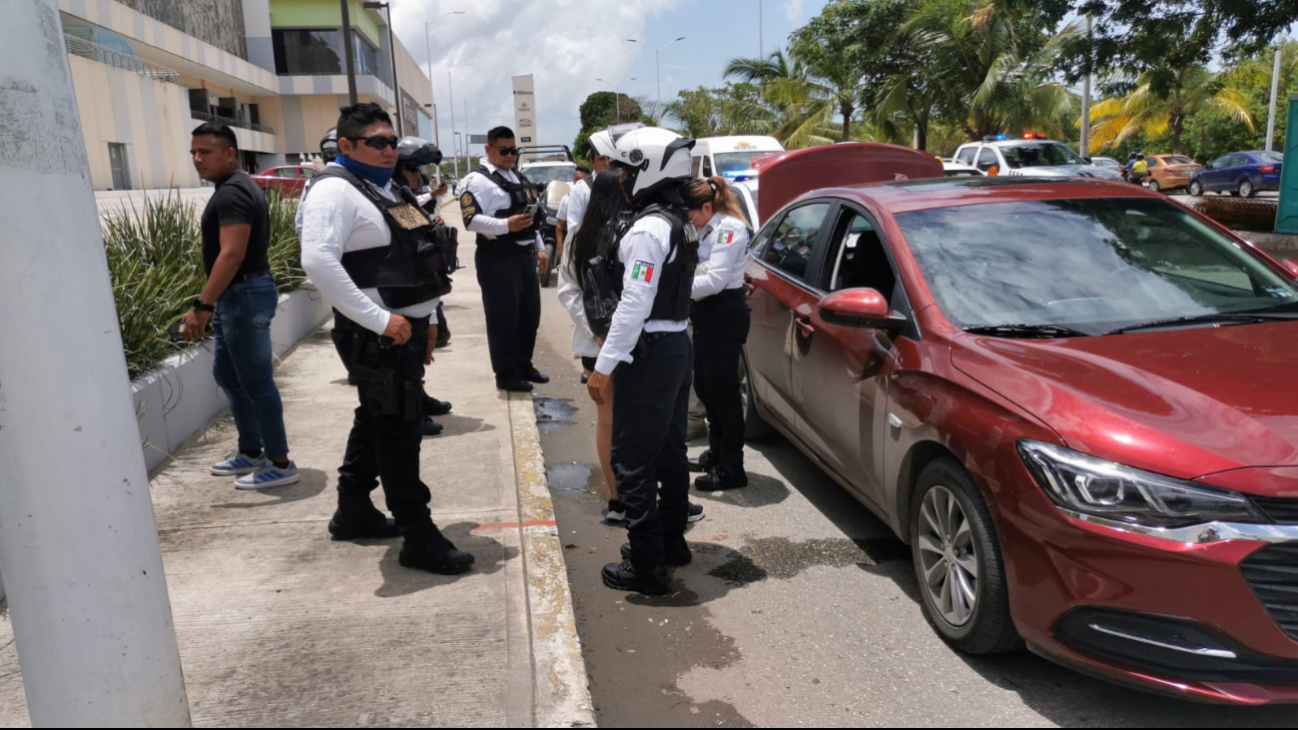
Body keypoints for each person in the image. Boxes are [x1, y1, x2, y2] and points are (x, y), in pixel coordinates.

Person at [298, 102, 473, 575]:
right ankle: (418, 536)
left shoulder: (386, 187)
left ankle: (352, 509)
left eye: (392, 141)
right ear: (347, 145)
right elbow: (317, 262)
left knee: (376, 418)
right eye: (377, 142)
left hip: (405, 329)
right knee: (399, 431)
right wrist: (378, 320)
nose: (388, 149)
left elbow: (420, 256)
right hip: (378, 334)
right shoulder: (334, 192)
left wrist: (430, 316)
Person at [585, 126, 700, 595]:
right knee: (670, 452)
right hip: (675, 347)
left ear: (648, 169)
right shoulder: (680, 218)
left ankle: (647, 565)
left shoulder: (651, 227)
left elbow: (634, 302)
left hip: (648, 352)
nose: (624, 178)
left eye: (630, 169)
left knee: (632, 459)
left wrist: (604, 364)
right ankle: (672, 543)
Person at [184, 122, 299, 490]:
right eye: (194, 153)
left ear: (230, 153)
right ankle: (251, 450)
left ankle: (279, 463)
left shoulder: (233, 192)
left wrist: (203, 304)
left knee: (255, 382)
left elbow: (232, 253)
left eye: (206, 151)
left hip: (243, 294)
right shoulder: (234, 186)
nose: (198, 159)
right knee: (229, 376)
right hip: (240, 295)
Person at [460, 126, 550, 392]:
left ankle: (523, 364)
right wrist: (505, 226)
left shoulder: (516, 176)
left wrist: (540, 247)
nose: (510, 155)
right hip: (497, 257)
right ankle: (506, 374)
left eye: (513, 150)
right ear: (488, 149)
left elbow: (529, 217)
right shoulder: (476, 181)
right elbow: (470, 220)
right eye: (504, 150)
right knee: (503, 319)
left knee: (529, 316)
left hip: (523, 255)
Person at [682, 177, 753, 491]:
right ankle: (716, 452)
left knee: (724, 395)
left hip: (724, 312)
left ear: (706, 207)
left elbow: (714, 280)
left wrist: (675, 291)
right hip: (706, 314)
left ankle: (732, 467)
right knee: (706, 387)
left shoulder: (730, 229)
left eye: (691, 215)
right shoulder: (703, 225)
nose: (689, 221)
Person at [554, 165, 590, 261]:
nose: (579, 183)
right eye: (577, 179)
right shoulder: (566, 200)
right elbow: (559, 227)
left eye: (583, 180)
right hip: (571, 245)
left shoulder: (591, 198)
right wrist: (561, 249)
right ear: (573, 179)